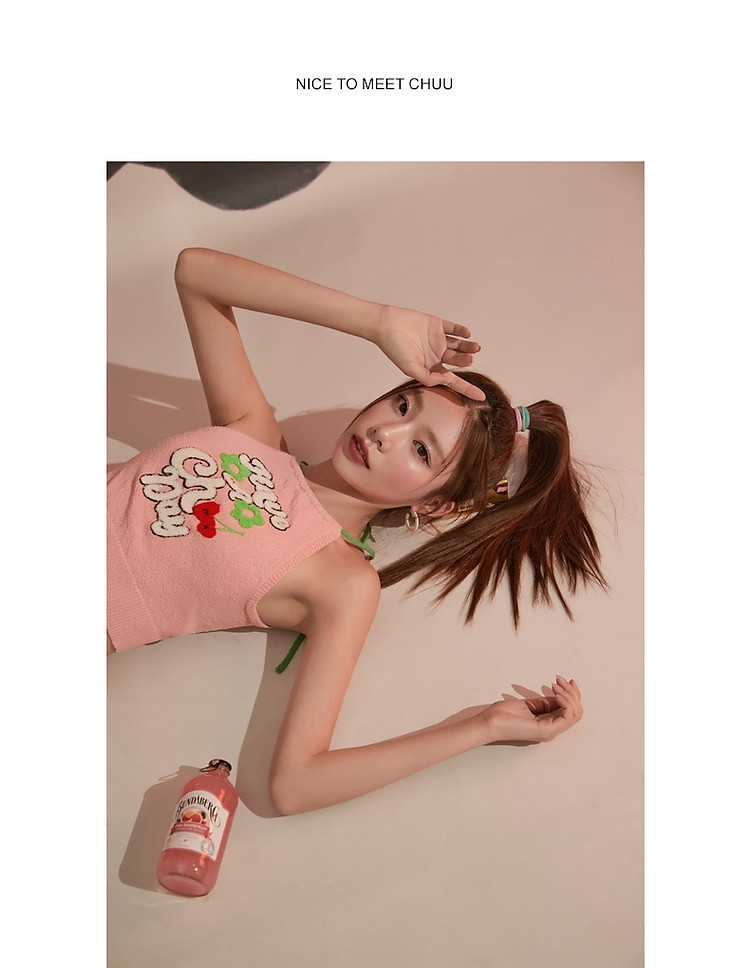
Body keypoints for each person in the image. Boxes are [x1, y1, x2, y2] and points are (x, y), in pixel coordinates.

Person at [107, 247, 605, 815]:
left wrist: (482, 726)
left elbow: (294, 783)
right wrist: (376, 321)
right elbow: (196, 272)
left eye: (421, 450)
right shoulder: (254, 432)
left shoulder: (342, 582)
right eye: (403, 405)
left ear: (436, 504)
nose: (386, 433)